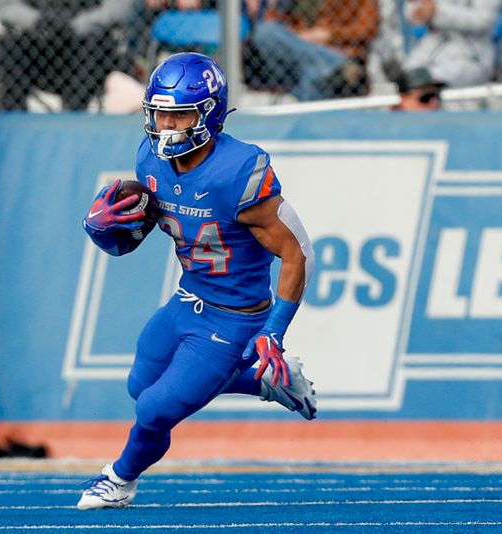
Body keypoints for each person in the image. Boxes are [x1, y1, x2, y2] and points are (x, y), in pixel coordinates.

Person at [79, 52, 317, 510]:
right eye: (160, 112)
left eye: (179, 113)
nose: (166, 125)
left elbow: (296, 252)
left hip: (234, 319)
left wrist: (274, 332)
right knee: (141, 386)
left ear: (208, 113)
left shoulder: (239, 172)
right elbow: (141, 230)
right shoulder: (150, 157)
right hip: (188, 299)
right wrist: (108, 226)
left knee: (155, 411)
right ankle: (267, 384)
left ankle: (120, 479)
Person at [0, 0, 123, 111]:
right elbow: (5, 8)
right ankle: (14, 121)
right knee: (13, 47)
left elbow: (119, 10)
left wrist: (75, 25)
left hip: (84, 45)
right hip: (40, 45)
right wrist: (41, 20)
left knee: (96, 47)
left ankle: (73, 117)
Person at [246, 0, 379, 100]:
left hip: (335, 49)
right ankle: (334, 66)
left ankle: (327, 69)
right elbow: (274, 19)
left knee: (310, 75)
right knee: (265, 32)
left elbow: (367, 28)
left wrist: (328, 35)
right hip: (299, 49)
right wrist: (297, 37)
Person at [402, 0, 502, 88]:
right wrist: (419, 10)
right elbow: (411, 11)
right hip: (431, 48)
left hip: (472, 57)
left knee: (427, 81)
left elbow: (483, 19)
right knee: (406, 78)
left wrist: (438, 12)